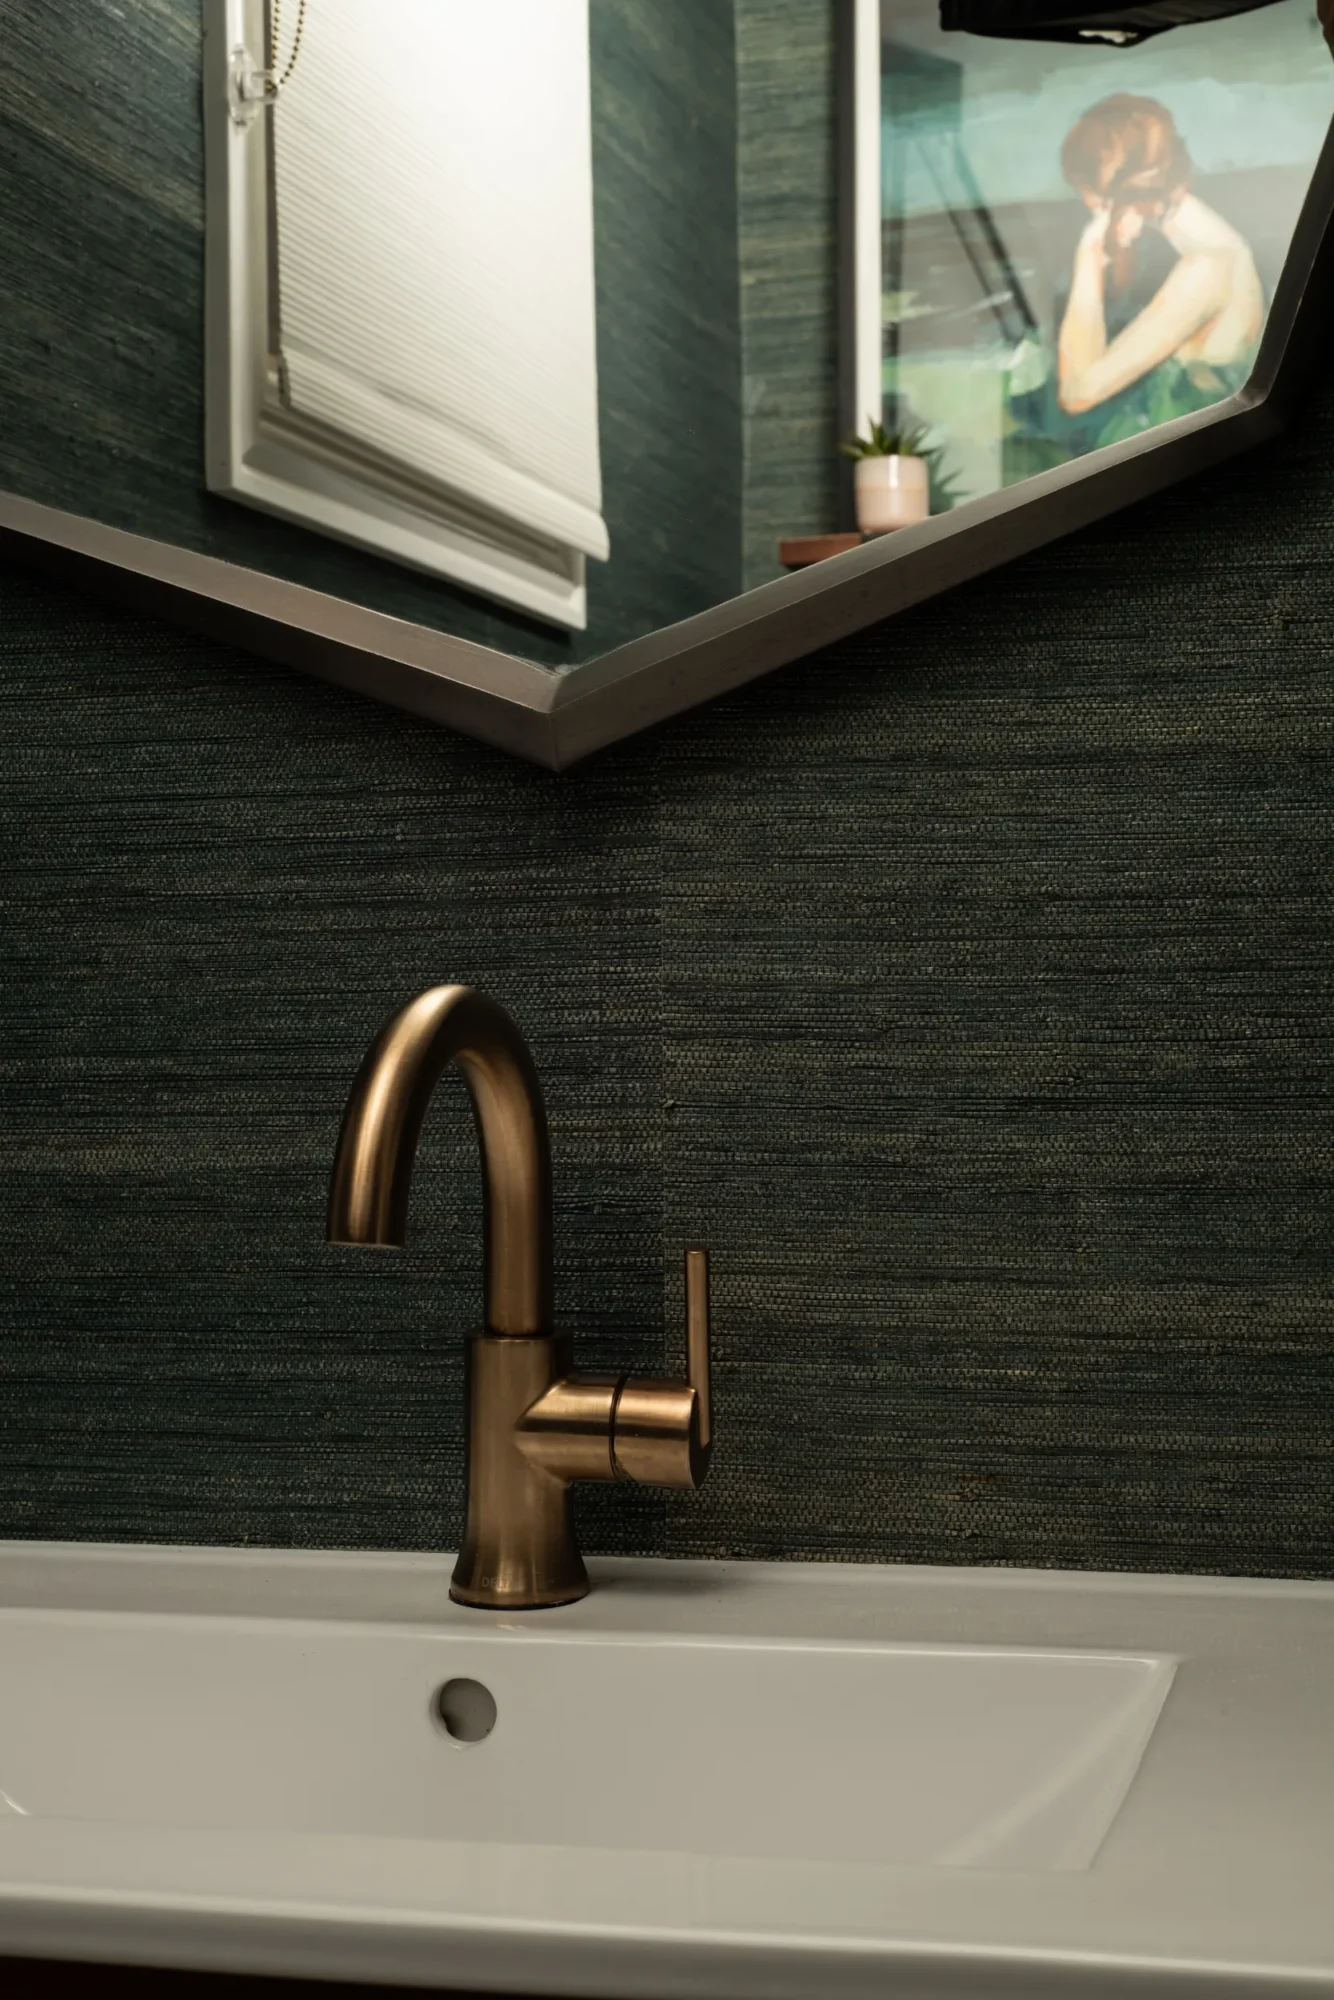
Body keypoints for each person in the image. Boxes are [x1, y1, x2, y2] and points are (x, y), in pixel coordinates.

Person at [1055, 95, 1263, 439]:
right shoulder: (1216, 248)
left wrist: (1087, 257)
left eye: (1091, 203)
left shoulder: (1207, 267)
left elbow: (1077, 391)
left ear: (1108, 199)